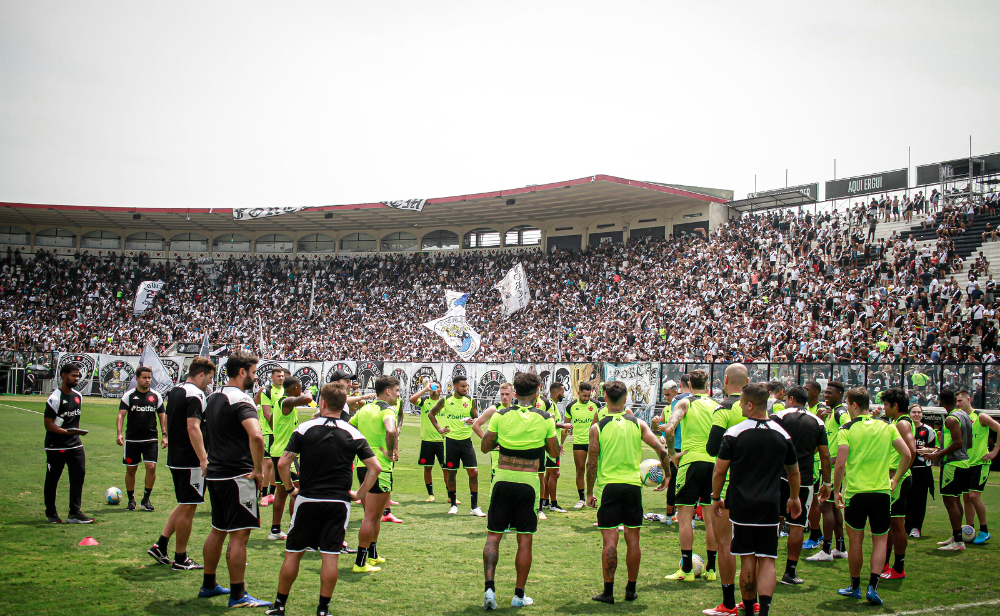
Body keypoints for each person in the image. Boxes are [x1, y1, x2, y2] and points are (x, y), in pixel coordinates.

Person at [263, 384, 382, 616]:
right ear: (343, 405)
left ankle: (279, 605)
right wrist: (359, 494)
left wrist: (290, 490)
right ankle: (323, 609)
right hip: (338, 503)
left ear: (323, 403)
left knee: (293, 554)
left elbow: (282, 463)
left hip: (307, 499)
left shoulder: (305, 428)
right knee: (330, 557)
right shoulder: (353, 432)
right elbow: (374, 468)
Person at [711, 383, 800, 616]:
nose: (739, 405)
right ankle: (764, 611)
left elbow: (719, 471)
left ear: (750, 405)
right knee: (768, 559)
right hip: (770, 505)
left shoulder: (735, 432)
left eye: (741, 402)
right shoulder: (782, 434)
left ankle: (749, 609)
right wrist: (794, 498)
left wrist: (716, 497)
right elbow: (793, 471)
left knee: (748, 559)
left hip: (742, 506)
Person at [480, 372, 559, 609]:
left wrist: (501, 440)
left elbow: (485, 447)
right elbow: (554, 452)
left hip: (502, 480)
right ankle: (518, 595)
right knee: (524, 541)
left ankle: (490, 590)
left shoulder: (500, 415)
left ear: (514, 393)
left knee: (494, 535)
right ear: (537, 394)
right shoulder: (545, 417)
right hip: (528, 483)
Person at [587, 380, 670, 604]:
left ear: (605, 399)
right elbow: (661, 449)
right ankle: (631, 590)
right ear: (625, 399)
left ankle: (608, 591)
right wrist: (668, 474)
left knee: (609, 540)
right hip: (633, 487)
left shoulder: (598, 427)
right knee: (633, 540)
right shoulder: (638, 423)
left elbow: (591, 463)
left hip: (609, 488)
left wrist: (588, 492)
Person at [199, 351, 270, 607]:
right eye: (253, 372)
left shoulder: (213, 397)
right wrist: (259, 470)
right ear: (242, 371)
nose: (255, 377)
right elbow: (257, 436)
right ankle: (238, 595)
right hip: (238, 476)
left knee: (218, 529)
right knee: (239, 535)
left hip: (216, 474)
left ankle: (208, 584)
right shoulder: (242, 400)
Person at [833, 387, 911, 606]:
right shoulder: (887, 426)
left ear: (854, 405)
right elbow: (907, 454)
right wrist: (895, 479)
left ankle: (855, 586)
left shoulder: (847, 428)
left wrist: (837, 490)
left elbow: (840, 464)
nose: (847, 408)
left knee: (856, 541)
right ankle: (873, 587)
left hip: (856, 493)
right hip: (881, 493)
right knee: (880, 541)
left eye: (848, 404)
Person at [148, 357, 216, 570]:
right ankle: (181, 558)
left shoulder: (176, 390)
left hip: (177, 457)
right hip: (190, 459)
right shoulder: (195, 394)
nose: (210, 384)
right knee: (188, 508)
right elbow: (193, 427)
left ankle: (161, 544)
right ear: (201, 374)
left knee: (184, 503)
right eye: (209, 379)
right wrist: (203, 459)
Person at [661, 369, 718, 582]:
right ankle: (711, 570)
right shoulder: (716, 405)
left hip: (691, 462)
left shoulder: (685, 403)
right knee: (711, 520)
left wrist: (673, 454)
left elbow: (669, 428)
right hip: (714, 464)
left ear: (689, 385)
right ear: (708, 385)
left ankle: (686, 569)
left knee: (684, 517)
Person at [770, 386, 830, 586]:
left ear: (791, 399)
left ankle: (766, 567)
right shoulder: (817, 422)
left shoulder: (778, 416)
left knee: (772, 521)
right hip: (803, 479)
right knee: (796, 524)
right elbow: (824, 455)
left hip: (776, 475)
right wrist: (827, 482)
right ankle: (790, 572)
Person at [702, 363, 748, 616]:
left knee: (726, 543)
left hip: (731, 485)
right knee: (756, 549)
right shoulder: (766, 408)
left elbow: (712, 448)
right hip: (762, 487)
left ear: (725, 379)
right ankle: (752, 602)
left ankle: (729, 603)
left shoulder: (725, 408)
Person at [349, 375, 400, 572]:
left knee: (375, 515)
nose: (397, 395)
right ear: (387, 391)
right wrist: (389, 451)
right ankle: (360, 562)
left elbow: (350, 426)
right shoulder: (387, 409)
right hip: (380, 466)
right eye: (396, 391)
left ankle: (372, 554)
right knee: (371, 516)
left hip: (363, 464)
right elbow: (390, 430)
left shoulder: (365, 408)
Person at [922, 389, 973, 551]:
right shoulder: (965, 415)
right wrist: (942, 448)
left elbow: (957, 443)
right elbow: (968, 443)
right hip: (963, 462)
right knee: (955, 500)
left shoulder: (951, 419)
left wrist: (937, 455)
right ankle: (956, 535)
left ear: (941, 402)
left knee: (950, 501)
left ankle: (958, 541)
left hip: (952, 464)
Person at [428, 375, 485, 517]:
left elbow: (476, 418)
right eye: (462, 386)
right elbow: (431, 414)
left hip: (466, 441)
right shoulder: (446, 400)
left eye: (466, 386)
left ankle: (474, 507)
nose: (465, 389)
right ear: (455, 387)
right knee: (451, 473)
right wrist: (440, 429)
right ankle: (453, 504)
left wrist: (472, 419)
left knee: (474, 472)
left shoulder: (470, 400)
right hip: (451, 442)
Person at [43, 362, 92, 524]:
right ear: (63, 376)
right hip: (56, 446)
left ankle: (74, 512)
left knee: (79, 475)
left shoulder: (78, 396)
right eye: (73, 375)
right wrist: (65, 432)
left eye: (78, 375)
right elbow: (48, 424)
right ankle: (51, 513)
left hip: (75, 445)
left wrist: (74, 433)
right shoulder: (54, 398)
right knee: (53, 478)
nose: (77, 378)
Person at [806, 381, 850, 562]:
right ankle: (840, 547)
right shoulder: (832, 413)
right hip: (828, 466)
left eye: (830, 393)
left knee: (825, 506)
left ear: (840, 394)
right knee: (833, 506)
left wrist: (839, 458)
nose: (826, 395)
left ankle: (826, 549)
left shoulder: (840, 412)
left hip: (832, 468)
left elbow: (850, 428)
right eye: (826, 392)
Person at [116, 366, 166, 512]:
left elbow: (162, 416)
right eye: (144, 377)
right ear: (137, 378)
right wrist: (119, 433)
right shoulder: (129, 396)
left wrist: (164, 434)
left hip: (150, 439)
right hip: (132, 440)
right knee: (131, 470)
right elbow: (121, 415)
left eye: (149, 378)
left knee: (151, 467)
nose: (147, 380)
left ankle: (146, 499)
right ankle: (131, 500)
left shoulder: (156, 396)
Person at [268, 377, 313, 541]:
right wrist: (310, 391)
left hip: (277, 451)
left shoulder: (281, 403)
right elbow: (307, 398)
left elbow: (271, 420)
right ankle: (295, 528)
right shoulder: (286, 401)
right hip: (288, 454)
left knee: (281, 492)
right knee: (296, 491)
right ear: (296, 389)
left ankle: (275, 529)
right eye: (300, 388)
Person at [879, 388, 916, 580]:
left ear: (895, 406)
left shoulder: (902, 423)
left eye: (886, 405)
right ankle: (886, 563)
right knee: (891, 522)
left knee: (897, 522)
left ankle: (899, 568)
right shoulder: (896, 422)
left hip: (899, 480)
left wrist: (897, 477)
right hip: (894, 477)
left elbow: (911, 451)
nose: (884, 408)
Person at [957, 389, 999, 544]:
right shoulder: (960, 418)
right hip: (966, 463)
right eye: (957, 402)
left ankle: (985, 530)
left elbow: (999, 428)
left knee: (974, 496)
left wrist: (995, 451)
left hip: (981, 463)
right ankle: (969, 530)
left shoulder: (980, 416)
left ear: (969, 399)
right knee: (966, 497)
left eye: (961, 401)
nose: (958, 404)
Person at [254, 367, 287, 507]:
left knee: (276, 463)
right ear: (272, 377)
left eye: (282, 376)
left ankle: (272, 492)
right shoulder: (267, 391)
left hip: (280, 432)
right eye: (278, 376)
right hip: (269, 431)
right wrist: (277, 429)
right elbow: (267, 414)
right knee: (268, 463)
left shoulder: (285, 391)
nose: (281, 378)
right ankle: (264, 493)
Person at [564, 382, 599, 509]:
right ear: (578, 393)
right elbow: (566, 427)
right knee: (580, 470)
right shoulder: (571, 406)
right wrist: (561, 444)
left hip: (594, 443)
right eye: (584, 396)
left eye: (588, 396)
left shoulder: (596, 405)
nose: (586, 398)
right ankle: (582, 499)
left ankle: (597, 496)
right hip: (579, 442)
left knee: (597, 470)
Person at [471, 382, 515, 485]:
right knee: (497, 479)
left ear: (513, 395)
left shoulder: (515, 409)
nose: (504, 397)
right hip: (498, 451)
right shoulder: (493, 409)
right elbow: (475, 425)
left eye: (507, 394)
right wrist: (489, 443)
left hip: (511, 449)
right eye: (502, 394)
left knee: (511, 479)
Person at [411, 380, 446, 502]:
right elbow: (412, 400)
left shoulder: (445, 402)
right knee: (427, 468)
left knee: (445, 468)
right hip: (427, 440)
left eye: (437, 387)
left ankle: (450, 494)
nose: (434, 389)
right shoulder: (425, 400)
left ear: (441, 390)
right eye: (433, 387)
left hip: (442, 441)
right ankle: (430, 494)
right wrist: (425, 389)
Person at [539, 382, 571, 515]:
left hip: (552, 443)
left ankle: (545, 501)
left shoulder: (552, 404)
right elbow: (550, 423)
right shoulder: (550, 404)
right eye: (563, 392)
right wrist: (564, 425)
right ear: (557, 392)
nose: (564, 394)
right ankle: (554, 503)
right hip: (550, 445)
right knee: (555, 474)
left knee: (548, 473)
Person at [905, 404, 936, 538]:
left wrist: (928, 450)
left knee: (919, 501)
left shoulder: (928, 430)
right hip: (906, 469)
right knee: (905, 499)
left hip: (922, 470)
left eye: (919, 412)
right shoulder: (904, 428)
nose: (916, 414)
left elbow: (936, 448)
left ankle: (916, 528)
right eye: (914, 412)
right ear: (909, 414)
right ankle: (905, 526)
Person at [802, 381, 825, 550]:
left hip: (815, 463)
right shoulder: (808, 409)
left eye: (807, 389)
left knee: (813, 500)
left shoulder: (820, 410)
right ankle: (817, 532)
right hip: (811, 460)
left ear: (816, 392)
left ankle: (815, 535)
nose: (805, 391)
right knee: (810, 500)